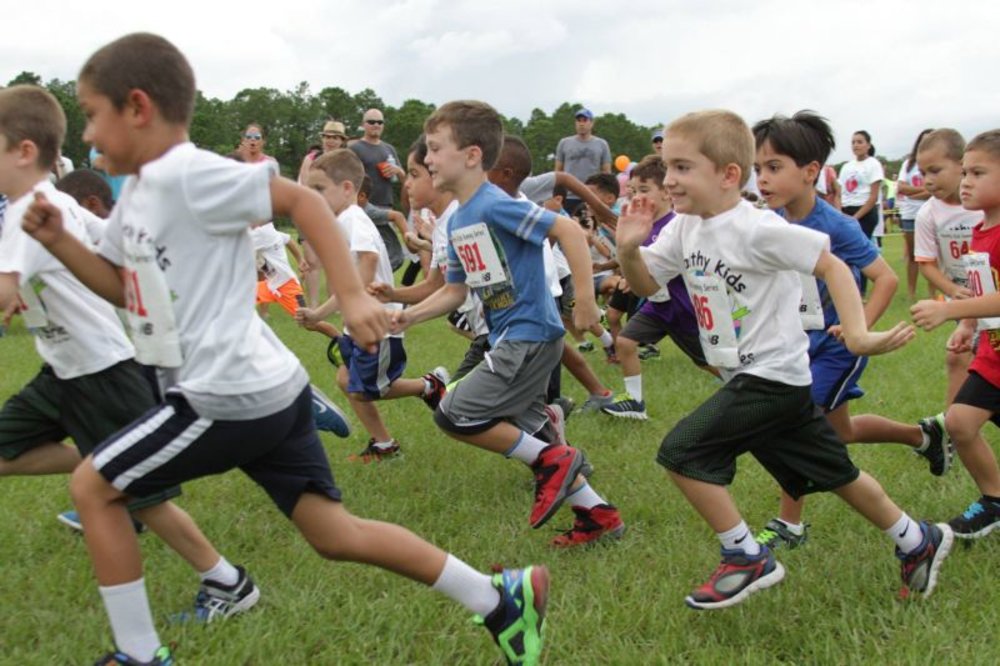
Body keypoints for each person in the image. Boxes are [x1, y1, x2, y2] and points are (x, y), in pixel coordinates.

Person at [22, 34, 549, 666]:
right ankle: (499, 598)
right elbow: (125, 289)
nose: (86, 134)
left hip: (226, 393)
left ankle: (137, 654)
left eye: (91, 113)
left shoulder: (190, 175)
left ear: (137, 107)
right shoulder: (137, 195)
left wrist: (352, 296)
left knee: (93, 487)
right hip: (266, 391)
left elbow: (300, 201)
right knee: (334, 534)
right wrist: (63, 245)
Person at [615, 109, 950, 609]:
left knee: (682, 452)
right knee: (836, 473)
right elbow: (648, 286)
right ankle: (916, 539)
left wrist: (857, 334)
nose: (669, 180)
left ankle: (745, 556)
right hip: (754, 376)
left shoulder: (756, 229)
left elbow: (832, 264)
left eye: (683, 167)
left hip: (770, 376)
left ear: (729, 175)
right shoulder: (684, 228)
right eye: (667, 168)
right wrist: (627, 251)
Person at [0, 84, 261, 630]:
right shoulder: (64, 201)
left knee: (142, 498)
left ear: (24, 151)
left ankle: (227, 581)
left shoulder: (29, 211)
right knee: (103, 476)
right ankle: (95, 460)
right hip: (66, 370)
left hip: (104, 373)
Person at [393, 101, 625, 548]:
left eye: (436, 149)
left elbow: (569, 232)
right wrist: (407, 315)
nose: (428, 160)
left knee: (454, 413)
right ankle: (598, 515)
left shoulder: (495, 205)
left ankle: (557, 459)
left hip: (529, 335)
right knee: (534, 433)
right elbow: (455, 291)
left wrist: (585, 305)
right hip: (510, 337)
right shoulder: (460, 219)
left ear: (472, 155)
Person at [750, 111, 951, 550]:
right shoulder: (768, 223)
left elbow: (887, 278)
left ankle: (790, 523)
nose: (762, 179)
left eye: (774, 167)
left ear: (810, 173)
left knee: (797, 424)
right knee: (842, 431)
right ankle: (923, 435)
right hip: (797, 346)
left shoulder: (835, 226)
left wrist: (858, 331)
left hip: (838, 348)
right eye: (758, 169)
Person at [296, 148, 448, 462]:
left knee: (366, 389)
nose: (315, 197)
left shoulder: (353, 219)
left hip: (378, 327)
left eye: (320, 189)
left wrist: (350, 301)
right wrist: (320, 313)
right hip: (357, 325)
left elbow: (368, 259)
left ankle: (428, 387)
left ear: (348, 189)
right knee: (345, 380)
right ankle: (383, 444)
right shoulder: (343, 220)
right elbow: (348, 282)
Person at [910, 129, 1000, 539]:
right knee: (960, 424)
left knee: (963, 421)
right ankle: (994, 501)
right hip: (992, 351)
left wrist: (949, 310)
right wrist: (967, 327)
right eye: (964, 172)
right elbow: (985, 290)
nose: (965, 182)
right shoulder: (981, 230)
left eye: (977, 173)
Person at [601, 155, 713, 421]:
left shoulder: (675, 226)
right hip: (658, 306)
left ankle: (745, 384)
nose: (637, 197)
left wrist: (640, 271)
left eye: (645, 190)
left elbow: (669, 265)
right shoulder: (642, 224)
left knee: (709, 363)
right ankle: (636, 403)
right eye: (633, 191)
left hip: (683, 308)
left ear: (665, 192)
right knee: (626, 341)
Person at [913, 129, 982, 405]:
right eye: (923, 173)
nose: (928, 180)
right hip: (963, 299)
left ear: (961, 164)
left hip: (992, 295)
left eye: (935, 170)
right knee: (957, 355)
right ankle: (952, 430)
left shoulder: (984, 205)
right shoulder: (928, 213)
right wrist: (953, 290)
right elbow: (927, 265)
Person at [554, 108, 612, 216]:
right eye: (578, 121)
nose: (581, 124)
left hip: (591, 195)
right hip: (569, 196)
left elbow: (606, 172)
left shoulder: (601, 144)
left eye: (584, 120)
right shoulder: (564, 143)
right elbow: (558, 170)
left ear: (591, 123)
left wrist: (605, 195)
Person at [898, 129, 934, 300]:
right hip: (910, 215)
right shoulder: (908, 164)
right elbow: (901, 188)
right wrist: (925, 190)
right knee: (912, 256)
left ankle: (932, 294)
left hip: (933, 213)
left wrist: (913, 193)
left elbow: (935, 190)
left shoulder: (938, 164)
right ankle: (911, 294)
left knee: (932, 257)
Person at [349, 108, 404, 208]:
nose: (376, 125)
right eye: (371, 122)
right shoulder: (354, 149)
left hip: (386, 206)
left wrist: (397, 171)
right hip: (362, 206)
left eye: (380, 122)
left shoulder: (390, 149)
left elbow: (405, 179)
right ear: (363, 124)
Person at [839, 130, 884, 240]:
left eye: (859, 142)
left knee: (860, 247)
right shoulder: (847, 166)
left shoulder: (873, 164)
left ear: (868, 145)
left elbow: (873, 197)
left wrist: (855, 218)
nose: (856, 145)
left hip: (865, 212)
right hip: (847, 210)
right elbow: (840, 192)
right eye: (853, 142)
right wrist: (841, 213)